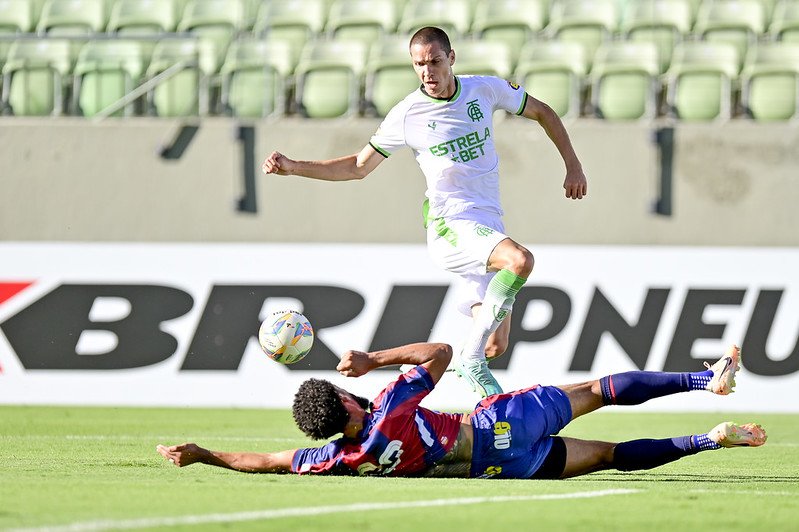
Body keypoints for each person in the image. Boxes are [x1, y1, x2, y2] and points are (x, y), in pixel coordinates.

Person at [261, 26, 589, 397]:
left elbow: (543, 111)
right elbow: (357, 166)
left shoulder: (484, 89)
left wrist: (573, 166)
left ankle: (399, 371)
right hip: (451, 224)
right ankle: (469, 362)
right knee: (520, 260)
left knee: (495, 345)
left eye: (434, 62)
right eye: (419, 64)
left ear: (451, 59)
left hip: (487, 223)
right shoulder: (407, 114)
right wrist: (294, 166)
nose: (427, 72)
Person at [157, 342, 766, 479]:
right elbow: (439, 352)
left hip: (502, 470)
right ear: (344, 401)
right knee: (601, 391)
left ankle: (709, 442)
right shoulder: (388, 407)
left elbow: (265, 459)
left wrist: (206, 453)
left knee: (607, 457)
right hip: (499, 425)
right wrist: (374, 360)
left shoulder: (339, 458)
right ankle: (703, 379)